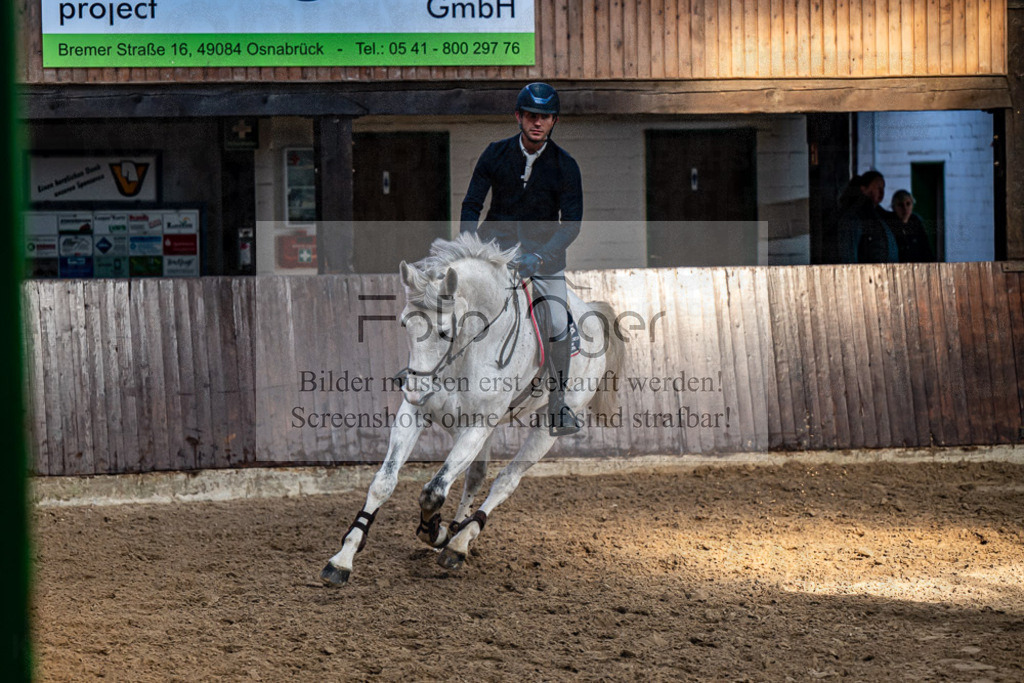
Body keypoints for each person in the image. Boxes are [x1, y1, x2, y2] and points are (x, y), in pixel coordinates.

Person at [460, 82, 584, 437]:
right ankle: (430, 377)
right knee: (449, 298)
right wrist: (469, 244)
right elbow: (472, 204)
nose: (537, 123)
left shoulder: (566, 166)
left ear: (553, 121)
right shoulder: (494, 154)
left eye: (544, 117)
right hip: (493, 250)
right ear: (519, 116)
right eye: (531, 115)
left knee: (558, 320)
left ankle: (559, 406)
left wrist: (541, 257)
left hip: (542, 258)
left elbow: (571, 224)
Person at [836, 170, 898, 263]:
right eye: (878, 188)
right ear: (863, 189)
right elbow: (849, 254)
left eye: (883, 188)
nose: (882, 192)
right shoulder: (855, 215)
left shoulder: (878, 215)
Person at [888, 189, 936, 262]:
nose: (905, 208)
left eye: (908, 204)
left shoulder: (916, 223)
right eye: (900, 205)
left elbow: (926, 250)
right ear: (894, 207)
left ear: (912, 205)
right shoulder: (888, 225)